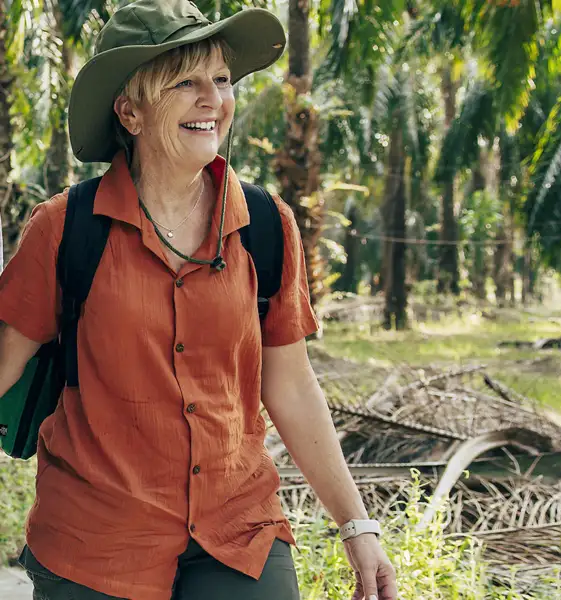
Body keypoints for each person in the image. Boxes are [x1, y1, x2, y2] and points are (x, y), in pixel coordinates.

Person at [0, 1, 398, 599]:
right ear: (130, 111)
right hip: (97, 544)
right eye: (184, 82)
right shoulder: (64, 229)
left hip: (238, 532)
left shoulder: (266, 224)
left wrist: (357, 524)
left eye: (220, 80)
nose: (212, 99)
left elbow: (289, 382)